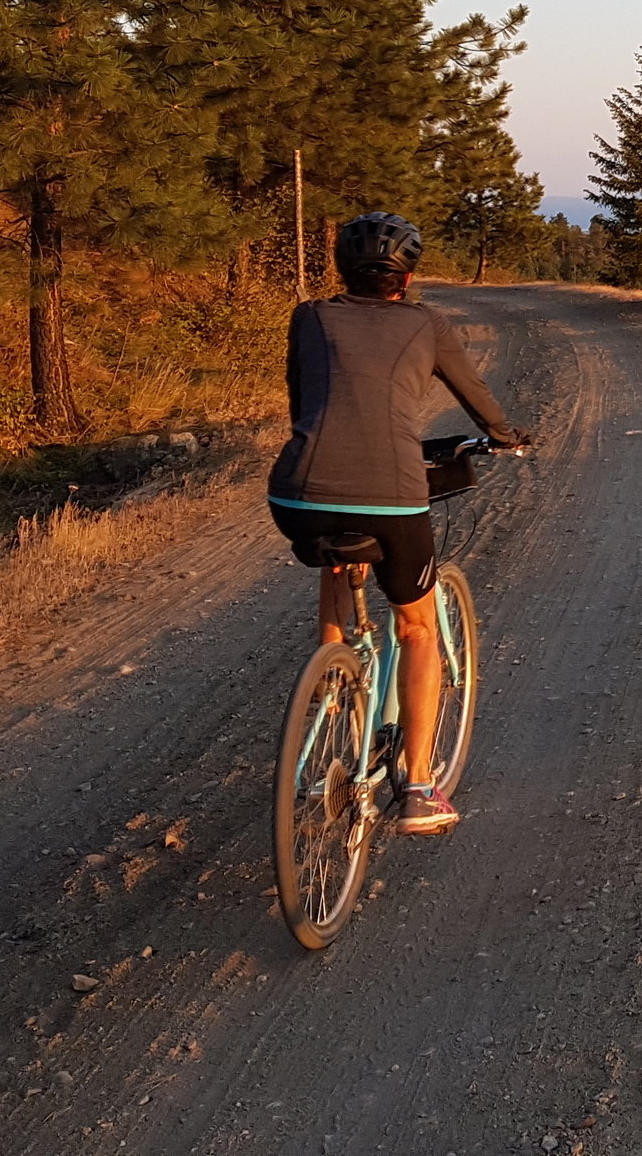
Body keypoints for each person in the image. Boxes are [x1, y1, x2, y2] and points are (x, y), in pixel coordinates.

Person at [267, 212, 527, 836]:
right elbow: (473, 392)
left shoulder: (310, 317)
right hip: (390, 496)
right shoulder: (426, 323)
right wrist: (505, 436)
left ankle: (333, 682)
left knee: (337, 558)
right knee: (415, 628)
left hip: (297, 494)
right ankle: (417, 788)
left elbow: (306, 402)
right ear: (406, 277)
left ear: (341, 270)